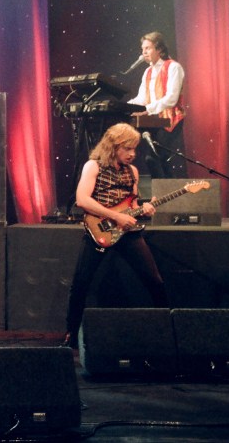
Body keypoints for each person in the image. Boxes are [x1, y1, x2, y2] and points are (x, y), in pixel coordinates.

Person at [63, 123, 168, 348]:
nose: (132, 154)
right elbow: (82, 199)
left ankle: (168, 331)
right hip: (99, 230)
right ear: (113, 146)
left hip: (127, 233)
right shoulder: (94, 166)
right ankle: (71, 334)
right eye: (127, 149)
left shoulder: (133, 172)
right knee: (81, 284)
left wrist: (144, 208)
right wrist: (115, 216)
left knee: (155, 281)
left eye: (134, 149)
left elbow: (132, 203)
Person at [127, 31, 186, 178]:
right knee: (156, 161)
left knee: (154, 158)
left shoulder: (173, 67)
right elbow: (142, 98)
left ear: (159, 49)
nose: (143, 53)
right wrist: (125, 106)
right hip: (154, 121)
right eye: (142, 49)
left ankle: (166, 195)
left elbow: (171, 98)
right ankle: (168, 196)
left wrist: (147, 109)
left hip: (170, 119)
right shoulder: (147, 72)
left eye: (147, 48)